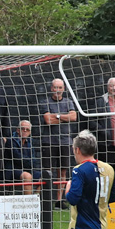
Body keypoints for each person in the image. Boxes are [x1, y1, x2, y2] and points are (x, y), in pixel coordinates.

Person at [40, 79, 78, 208]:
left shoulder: (69, 102)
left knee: (62, 171)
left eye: (60, 87)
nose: (57, 90)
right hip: (49, 141)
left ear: (63, 89)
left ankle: (59, 201)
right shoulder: (45, 102)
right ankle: (44, 199)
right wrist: (64, 117)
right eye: (55, 87)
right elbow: (48, 120)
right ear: (51, 88)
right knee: (47, 171)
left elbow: (73, 117)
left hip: (65, 141)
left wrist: (56, 116)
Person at [4, 120, 41, 195]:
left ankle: (36, 199)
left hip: (26, 169)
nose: (25, 131)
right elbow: (17, 159)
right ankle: (29, 204)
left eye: (27, 130)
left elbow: (34, 161)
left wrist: (26, 161)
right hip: (12, 170)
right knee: (27, 176)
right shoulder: (11, 141)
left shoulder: (30, 143)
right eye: (22, 129)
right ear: (18, 130)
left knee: (46, 175)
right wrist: (27, 161)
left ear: (30, 132)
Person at [99, 77, 115, 173]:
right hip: (107, 143)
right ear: (107, 87)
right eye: (111, 86)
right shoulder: (101, 101)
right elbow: (93, 121)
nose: (114, 88)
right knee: (107, 170)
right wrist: (104, 132)